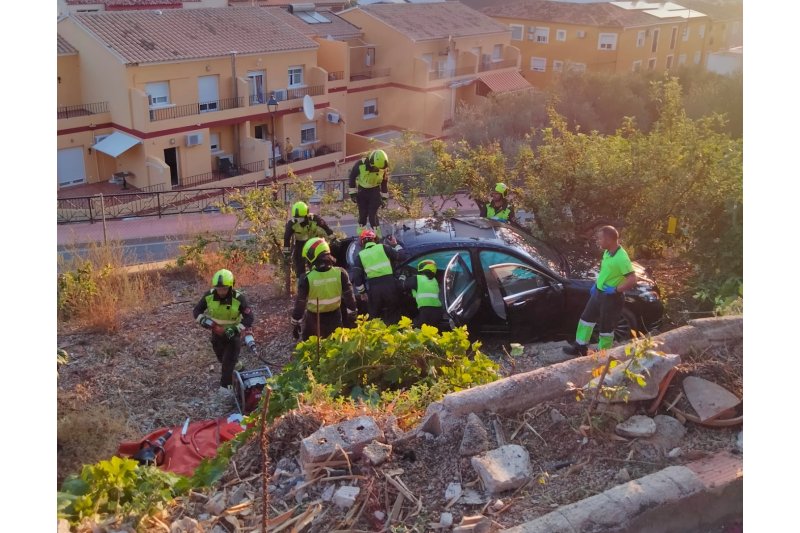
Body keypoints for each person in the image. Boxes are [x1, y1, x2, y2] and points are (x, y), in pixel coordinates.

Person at [563, 226, 638, 357]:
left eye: (600, 239)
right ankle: (580, 347)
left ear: (609, 240)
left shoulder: (621, 258)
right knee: (586, 319)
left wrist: (616, 290)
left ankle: (603, 354)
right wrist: (597, 284)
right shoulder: (608, 252)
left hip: (612, 297)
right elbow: (606, 271)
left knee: (606, 328)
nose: (598, 241)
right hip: (599, 292)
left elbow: (632, 279)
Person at [192, 269, 254, 396]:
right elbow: (197, 311)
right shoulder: (208, 296)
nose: (221, 292)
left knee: (227, 363)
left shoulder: (239, 298)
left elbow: (249, 318)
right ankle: (241, 369)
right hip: (216, 335)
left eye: (224, 289)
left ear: (231, 287)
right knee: (224, 359)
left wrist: (235, 329)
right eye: (218, 289)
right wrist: (204, 321)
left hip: (233, 336)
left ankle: (226, 390)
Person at [290, 237, 357, 341]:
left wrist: (295, 322)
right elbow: (350, 299)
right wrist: (352, 316)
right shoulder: (341, 273)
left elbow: (300, 303)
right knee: (336, 350)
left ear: (312, 256)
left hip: (314, 321)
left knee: (312, 351)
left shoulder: (307, 278)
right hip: (335, 318)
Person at [352, 228, 402, 325]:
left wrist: (362, 292)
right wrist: (396, 245)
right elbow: (401, 256)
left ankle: (378, 337)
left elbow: (357, 276)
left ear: (362, 242)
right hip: (390, 286)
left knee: (375, 317)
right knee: (394, 313)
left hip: (374, 289)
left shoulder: (360, 255)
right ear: (374, 239)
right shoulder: (383, 247)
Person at [283, 201, 334, 277]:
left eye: (300, 218)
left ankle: (317, 277)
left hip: (314, 243)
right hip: (300, 243)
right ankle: (300, 281)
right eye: (296, 218)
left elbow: (326, 227)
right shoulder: (292, 224)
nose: (298, 220)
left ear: (306, 215)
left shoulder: (314, 219)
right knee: (300, 264)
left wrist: (333, 237)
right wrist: (286, 254)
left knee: (315, 261)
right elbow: (286, 238)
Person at [347, 149, 390, 239]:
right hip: (362, 192)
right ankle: (362, 236)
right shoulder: (360, 164)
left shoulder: (382, 167)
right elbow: (352, 177)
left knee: (372, 215)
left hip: (375, 192)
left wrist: (384, 198)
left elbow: (384, 183)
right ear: (372, 162)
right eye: (376, 168)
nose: (378, 170)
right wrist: (353, 193)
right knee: (362, 215)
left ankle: (378, 237)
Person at [398, 259, 443, 328]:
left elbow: (401, 286)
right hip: (438, 312)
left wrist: (402, 277)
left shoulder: (417, 278)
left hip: (426, 312)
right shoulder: (435, 281)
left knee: (412, 331)